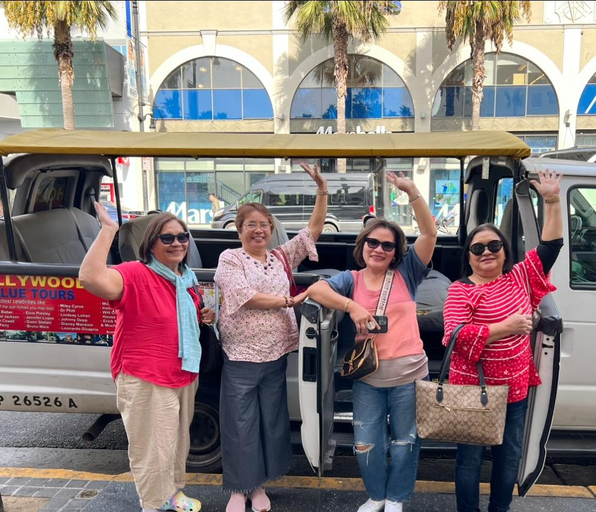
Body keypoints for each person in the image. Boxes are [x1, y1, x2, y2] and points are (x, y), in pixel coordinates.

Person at [307, 172, 437, 512]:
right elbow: (315, 290)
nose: (379, 249)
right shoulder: (349, 280)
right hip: (368, 375)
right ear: (362, 245)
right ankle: (376, 495)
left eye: (388, 245)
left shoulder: (408, 272)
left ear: (396, 252)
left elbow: (429, 233)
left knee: (405, 442)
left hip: (409, 376)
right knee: (366, 442)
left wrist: (412, 192)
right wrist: (351, 306)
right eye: (373, 242)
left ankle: (396, 498)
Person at [79, 207, 215, 512]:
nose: (177, 242)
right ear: (151, 243)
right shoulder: (135, 273)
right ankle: (153, 505)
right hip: (146, 375)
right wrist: (108, 230)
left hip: (183, 372)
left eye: (182, 236)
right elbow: (89, 277)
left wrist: (201, 315)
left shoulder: (185, 278)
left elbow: (176, 317)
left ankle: (172, 495)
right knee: (153, 449)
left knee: (176, 443)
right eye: (167, 237)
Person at [442, 170, 563, 512]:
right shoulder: (460, 291)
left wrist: (551, 199)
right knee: (469, 461)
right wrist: (505, 327)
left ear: (504, 251)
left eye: (494, 246)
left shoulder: (521, 276)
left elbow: (552, 245)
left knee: (508, 458)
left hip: (514, 389)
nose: (486, 252)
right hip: (473, 391)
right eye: (477, 248)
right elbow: (454, 337)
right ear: (468, 256)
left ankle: (500, 509)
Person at [213, 163, 327, 512]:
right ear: (239, 230)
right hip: (241, 356)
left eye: (264, 225)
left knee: (270, 423)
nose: (259, 231)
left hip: (277, 355)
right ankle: (238, 488)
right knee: (239, 425)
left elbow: (314, 230)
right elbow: (246, 296)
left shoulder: (280, 256)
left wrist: (321, 189)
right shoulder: (231, 259)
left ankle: (258, 486)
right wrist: (291, 301)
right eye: (251, 225)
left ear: (271, 229)